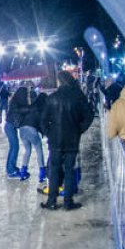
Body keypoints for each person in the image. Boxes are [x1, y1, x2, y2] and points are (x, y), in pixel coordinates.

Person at [40, 72, 94, 211]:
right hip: (72, 141)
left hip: (55, 142)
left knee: (54, 170)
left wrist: (50, 134)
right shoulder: (78, 97)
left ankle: (52, 201)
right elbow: (89, 115)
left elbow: (43, 120)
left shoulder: (52, 98)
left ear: (60, 82)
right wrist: (79, 130)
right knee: (69, 171)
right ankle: (68, 202)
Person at [9, 85, 45, 182]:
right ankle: (42, 173)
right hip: (31, 129)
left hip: (22, 130)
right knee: (39, 149)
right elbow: (41, 123)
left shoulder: (29, 105)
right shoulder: (39, 109)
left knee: (27, 150)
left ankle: (23, 171)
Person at [2, 86, 20, 179]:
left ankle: (10, 168)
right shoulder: (16, 104)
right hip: (10, 127)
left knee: (13, 147)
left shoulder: (14, 102)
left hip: (9, 126)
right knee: (15, 147)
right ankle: (11, 171)